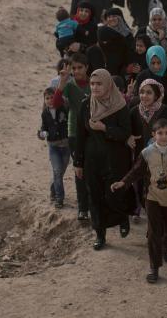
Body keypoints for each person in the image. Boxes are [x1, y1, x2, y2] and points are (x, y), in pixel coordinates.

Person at [113, 117, 167, 283]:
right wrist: (123, 182)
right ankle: (155, 267)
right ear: (154, 134)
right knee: (153, 232)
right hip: (152, 197)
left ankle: (165, 245)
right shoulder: (146, 153)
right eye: (160, 133)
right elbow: (136, 171)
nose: (164, 136)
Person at [73, 68, 135, 250]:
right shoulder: (86, 106)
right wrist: (78, 162)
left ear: (108, 84)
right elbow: (80, 136)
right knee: (95, 196)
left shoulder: (119, 104)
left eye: (99, 83)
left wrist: (104, 128)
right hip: (93, 159)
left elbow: (125, 132)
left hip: (115, 158)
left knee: (114, 194)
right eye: (92, 84)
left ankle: (123, 218)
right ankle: (100, 234)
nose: (95, 87)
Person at [52, 53, 92, 222]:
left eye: (79, 68)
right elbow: (55, 104)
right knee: (79, 171)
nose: (76, 71)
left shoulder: (95, 83)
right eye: (74, 68)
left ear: (86, 67)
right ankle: (83, 208)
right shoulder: (69, 85)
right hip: (75, 132)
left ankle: (96, 205)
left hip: (94, 131)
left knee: (96, 169)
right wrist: (62, 82)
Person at [127, 79, 167, 151]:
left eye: (149, 93)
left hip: (162, 156)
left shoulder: (166, 111)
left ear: (156, 96)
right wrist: (128, 138)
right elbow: (126, 131)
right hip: (140, 157)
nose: (144, 96)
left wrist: (164, 143)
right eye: (142, 92)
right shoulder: (134, 112)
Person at [38, 87, 70, 208]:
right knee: (57, 171)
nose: (50, 100)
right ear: (44, 100)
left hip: (66, 145)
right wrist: (41, 134)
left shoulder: (63, 108)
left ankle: (53, 188)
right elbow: (43, 128)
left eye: (52, 97)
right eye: (47, 98)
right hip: (54, 147)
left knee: (60, 173)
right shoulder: (45, 113)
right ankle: (59, 198)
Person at [97, 7, 135, 77]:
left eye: (114, 16)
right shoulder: (103, 33)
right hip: (106, 69)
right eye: (109, 17)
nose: (111, 19)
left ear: (120, 18)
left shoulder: (128, 34)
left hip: (123, 70)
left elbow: (131, 52)